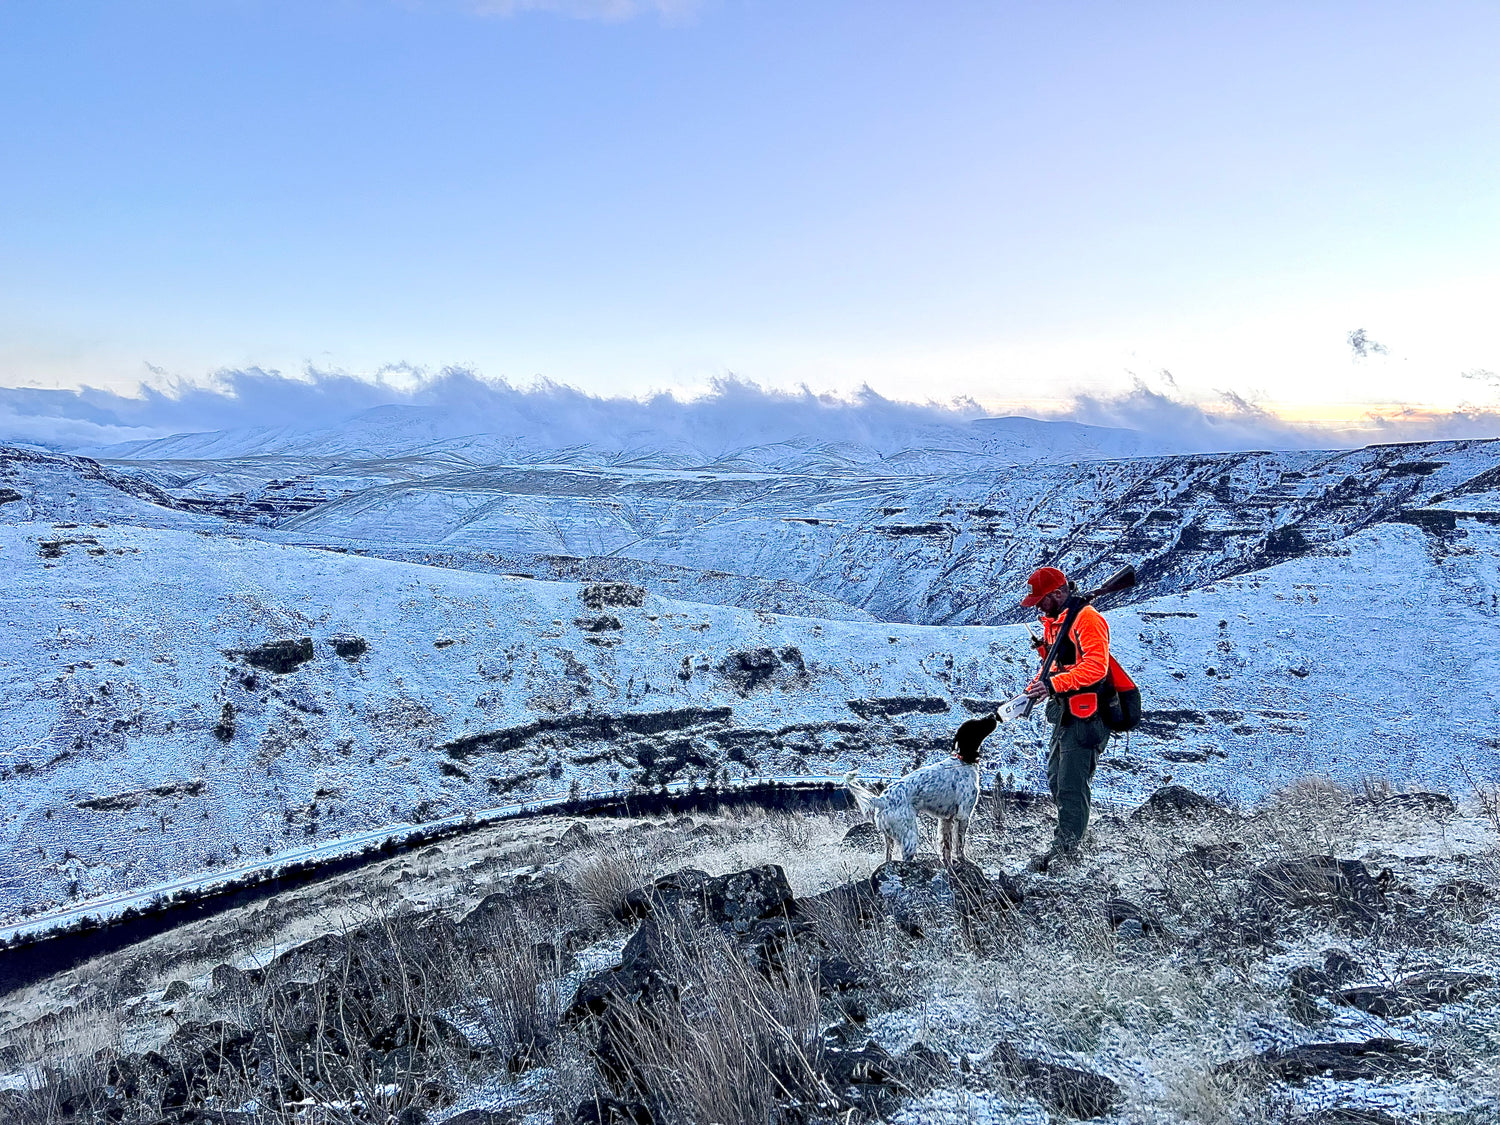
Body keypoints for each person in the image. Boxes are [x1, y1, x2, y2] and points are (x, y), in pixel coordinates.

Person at [1020, 566, 1112, 869]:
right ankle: (1074, 838)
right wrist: (1039, 685)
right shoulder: (1057, 621)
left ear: (1058, 594)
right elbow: (1057, 662)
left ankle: (1067, 853)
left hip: (1088, 712)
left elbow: (1097, 667)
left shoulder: (1086, 619)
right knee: (1056, 777)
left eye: (1041, 600)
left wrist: (1052, 685)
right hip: (1065, 711)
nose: (1037, 607)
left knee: (1072, 782)